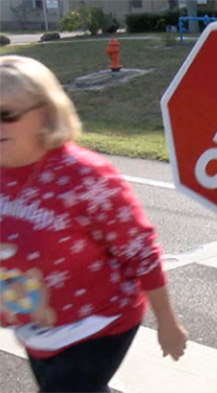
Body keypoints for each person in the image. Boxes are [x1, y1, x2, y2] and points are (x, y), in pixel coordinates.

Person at [0, 55, 188, 392]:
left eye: (7, 115)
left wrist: (167, 322)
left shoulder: (84, 177)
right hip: (37, 327)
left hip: (99, 322)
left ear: (44, 113)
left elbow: (140, 250)